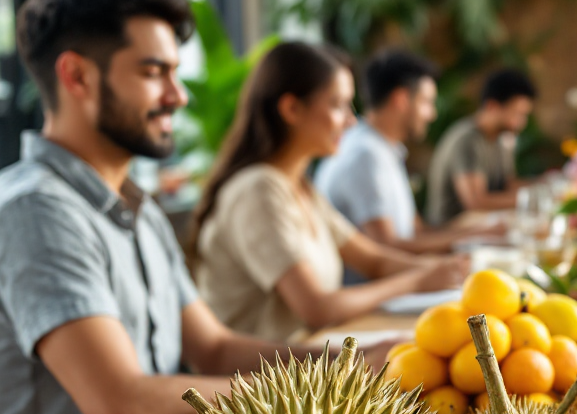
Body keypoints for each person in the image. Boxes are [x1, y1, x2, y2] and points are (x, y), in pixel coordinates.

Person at [0, 0, 402, 414]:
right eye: (153, 71)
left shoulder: (135, 208)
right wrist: (319, 396)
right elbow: (126, 409)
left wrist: (351, 364)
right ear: (77, 75)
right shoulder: (34, 212)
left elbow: (212, 348)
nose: (178, 94)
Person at [189, 42, 467, 342]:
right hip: (260, 381)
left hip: (306, 358)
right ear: (292, 109)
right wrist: (418, 281)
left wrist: (450, 270)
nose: (350, 120)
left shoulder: (300, 187)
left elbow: (375, 260)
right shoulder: (258, 190)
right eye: (338, 105)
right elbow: (316, 307)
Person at [315, 50, 502, 259]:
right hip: (380, 288)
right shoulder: (366, 155)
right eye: (426, 102)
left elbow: (416, 233)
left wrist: (476, 230)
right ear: (401, 99)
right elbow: (388, 248)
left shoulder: (385, 149)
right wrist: (476, 235)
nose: (432, 114)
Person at [424, 68, 536, 226]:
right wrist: (532, 199)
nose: (522, 121)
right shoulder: (466, 140)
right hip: (452, 230)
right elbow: (476, 202)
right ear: (492, 106)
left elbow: (507, 184)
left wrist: (545, 186)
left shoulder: (502, 139)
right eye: (517, 113)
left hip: (483, 226)